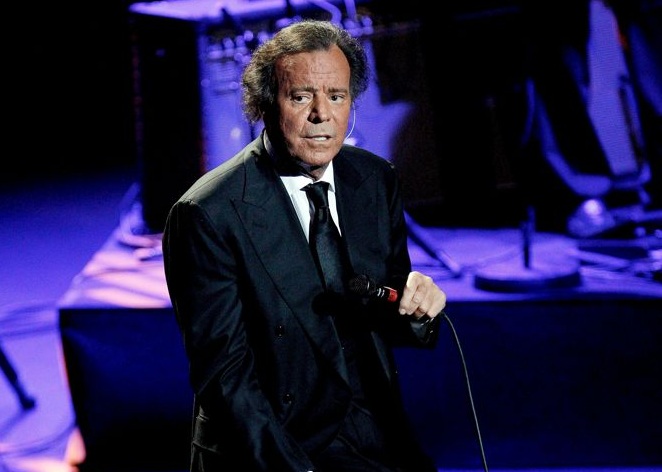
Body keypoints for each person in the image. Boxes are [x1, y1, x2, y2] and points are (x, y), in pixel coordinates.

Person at [162, 19, 447, 472]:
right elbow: (226, 379)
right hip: (274, 444)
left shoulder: (375, 180)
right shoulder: (208, 213)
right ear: (264, 103)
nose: (322, 114)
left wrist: (416, 310)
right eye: (300, 97)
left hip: (374, 431)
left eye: (337, 96)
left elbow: (385, 310)